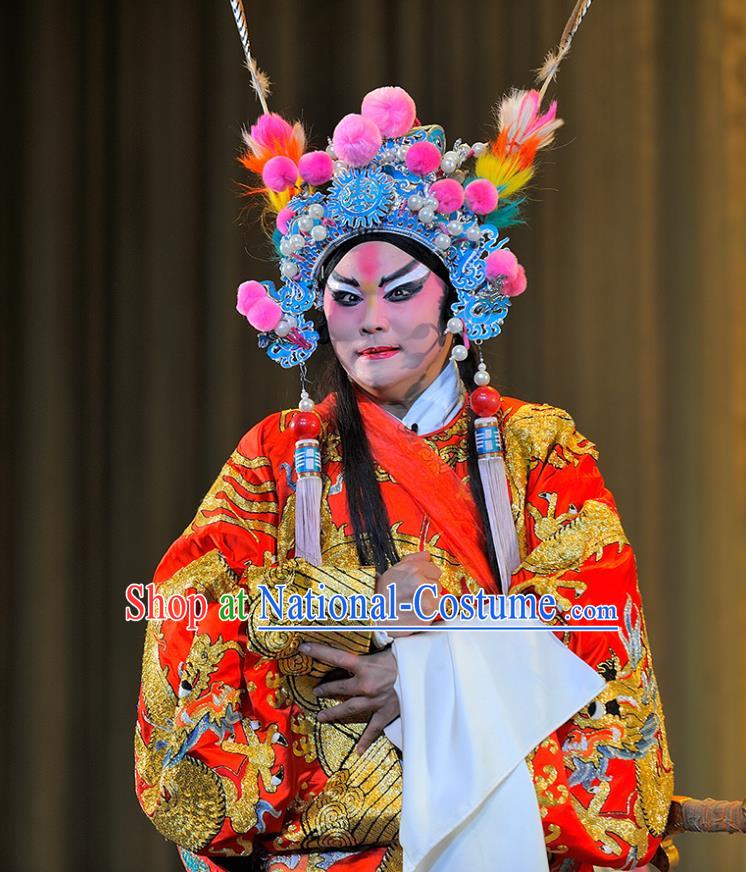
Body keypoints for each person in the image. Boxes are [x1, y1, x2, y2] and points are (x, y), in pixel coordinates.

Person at [134, 5, 674, 871]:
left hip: (499, 835)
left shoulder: (538, 448)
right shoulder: (275, 457)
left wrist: (428, 674)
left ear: (457, 302)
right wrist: (364, 593)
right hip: (325, 845)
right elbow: (193, 605)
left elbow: (594, 617)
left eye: (399, 291)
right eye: (344, 297)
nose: (370, 322)